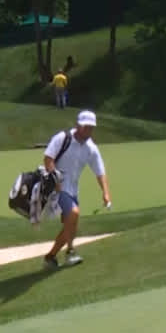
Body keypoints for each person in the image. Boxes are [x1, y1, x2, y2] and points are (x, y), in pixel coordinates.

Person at [40, 109, 112, 269]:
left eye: (91, 127)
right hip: (56, 188)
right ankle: (70, 252)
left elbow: (100, 171)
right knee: (74, 213)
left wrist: (105, 193)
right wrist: (55, 179)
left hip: (72, 190)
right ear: (78, 125)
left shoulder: (91, 148)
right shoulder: (62, 138)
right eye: (86, 126)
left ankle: (50, 257)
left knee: (71, 225)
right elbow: (48, 159)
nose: (89, 130)